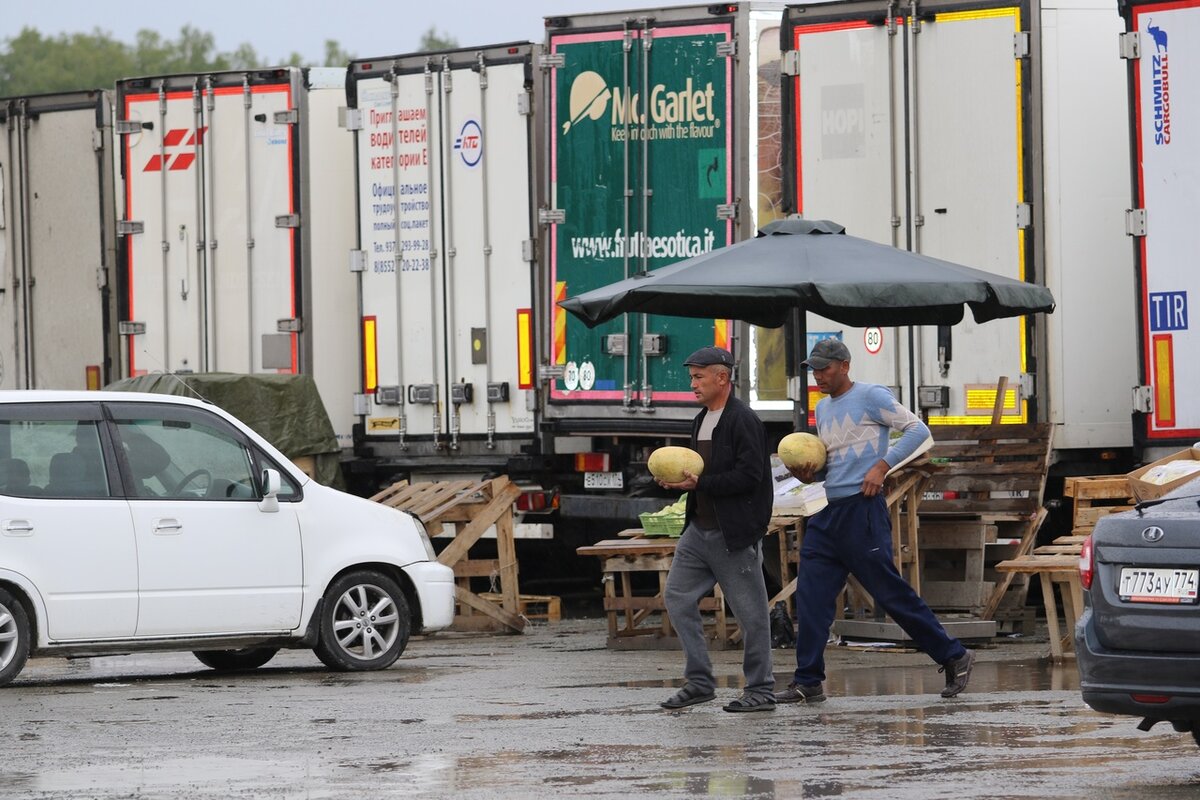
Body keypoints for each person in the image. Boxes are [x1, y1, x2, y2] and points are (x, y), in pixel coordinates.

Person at [778, 338, 975, 704]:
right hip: (828, 512)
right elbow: (832, 464)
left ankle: (954, 656)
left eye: (825, 368)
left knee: (889, 593)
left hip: (862, 510)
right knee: (811, 597)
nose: (819, 375)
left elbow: (920, 432)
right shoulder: (821, 410)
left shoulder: (872, 396)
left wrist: (882, 467)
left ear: (845, 365)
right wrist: (809, 476)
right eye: (814, 369)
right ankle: (808, 680)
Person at [657, 346, 777, 713]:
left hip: (733, 533)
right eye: (691, 377)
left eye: (698, 377)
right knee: (677, 597)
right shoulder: (702, 419)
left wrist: (700, 484)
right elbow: (699, 474)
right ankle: (699, 681)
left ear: (721, 378)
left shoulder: (743, 419)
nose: (692, 384)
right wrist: (681, 483)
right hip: (698, 530)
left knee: (752, 614)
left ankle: (761, 689)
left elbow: (749, 476)